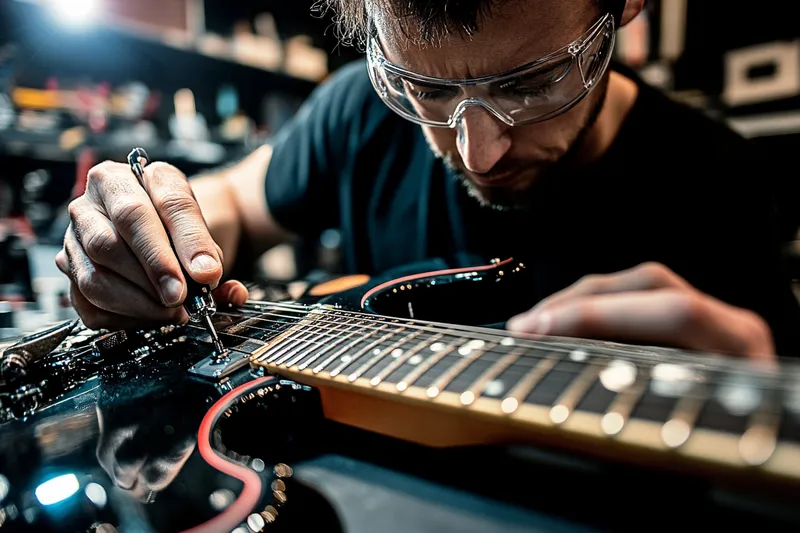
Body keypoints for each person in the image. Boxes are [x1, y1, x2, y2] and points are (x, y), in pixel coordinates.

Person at [55, 0, 800, 360]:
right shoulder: (355, 109)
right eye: (427, 90)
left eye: (534, 81)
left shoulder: (723, 180)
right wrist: (153, 226)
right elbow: (233, 204)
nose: (476, 152)